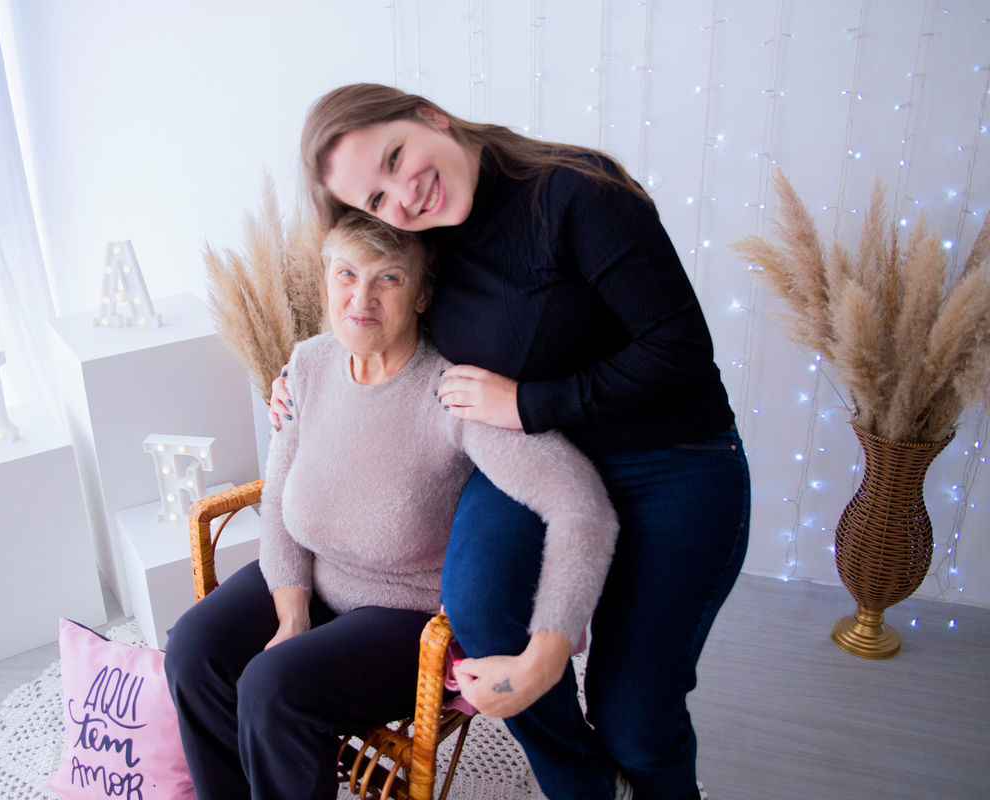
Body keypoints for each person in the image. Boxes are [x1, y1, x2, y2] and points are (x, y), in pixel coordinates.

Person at [269, 84, 751, 800]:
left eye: (397, 158)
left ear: (430, 114)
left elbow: (678, 347)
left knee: (634, 718)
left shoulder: (577, 195)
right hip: (535, 458)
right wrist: (307, 370)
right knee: (481, 609)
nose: (401, 199)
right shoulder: (425, 238)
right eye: (376, 199)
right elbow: (379, 298)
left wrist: (531, 402)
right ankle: (582, 786)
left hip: (672, 461)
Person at [164, 211, 618, 800]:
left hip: (403, 615)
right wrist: (291, 615)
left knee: (271, 687)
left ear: (424, 292)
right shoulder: (308, 364)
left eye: (389, 279)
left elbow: (581, 504)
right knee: (192, 650)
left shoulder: (451, 391)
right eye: (347, 273)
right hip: (312, 582)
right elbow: (278, 497)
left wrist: (548, 648)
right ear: (326, 278)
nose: (361, 297)